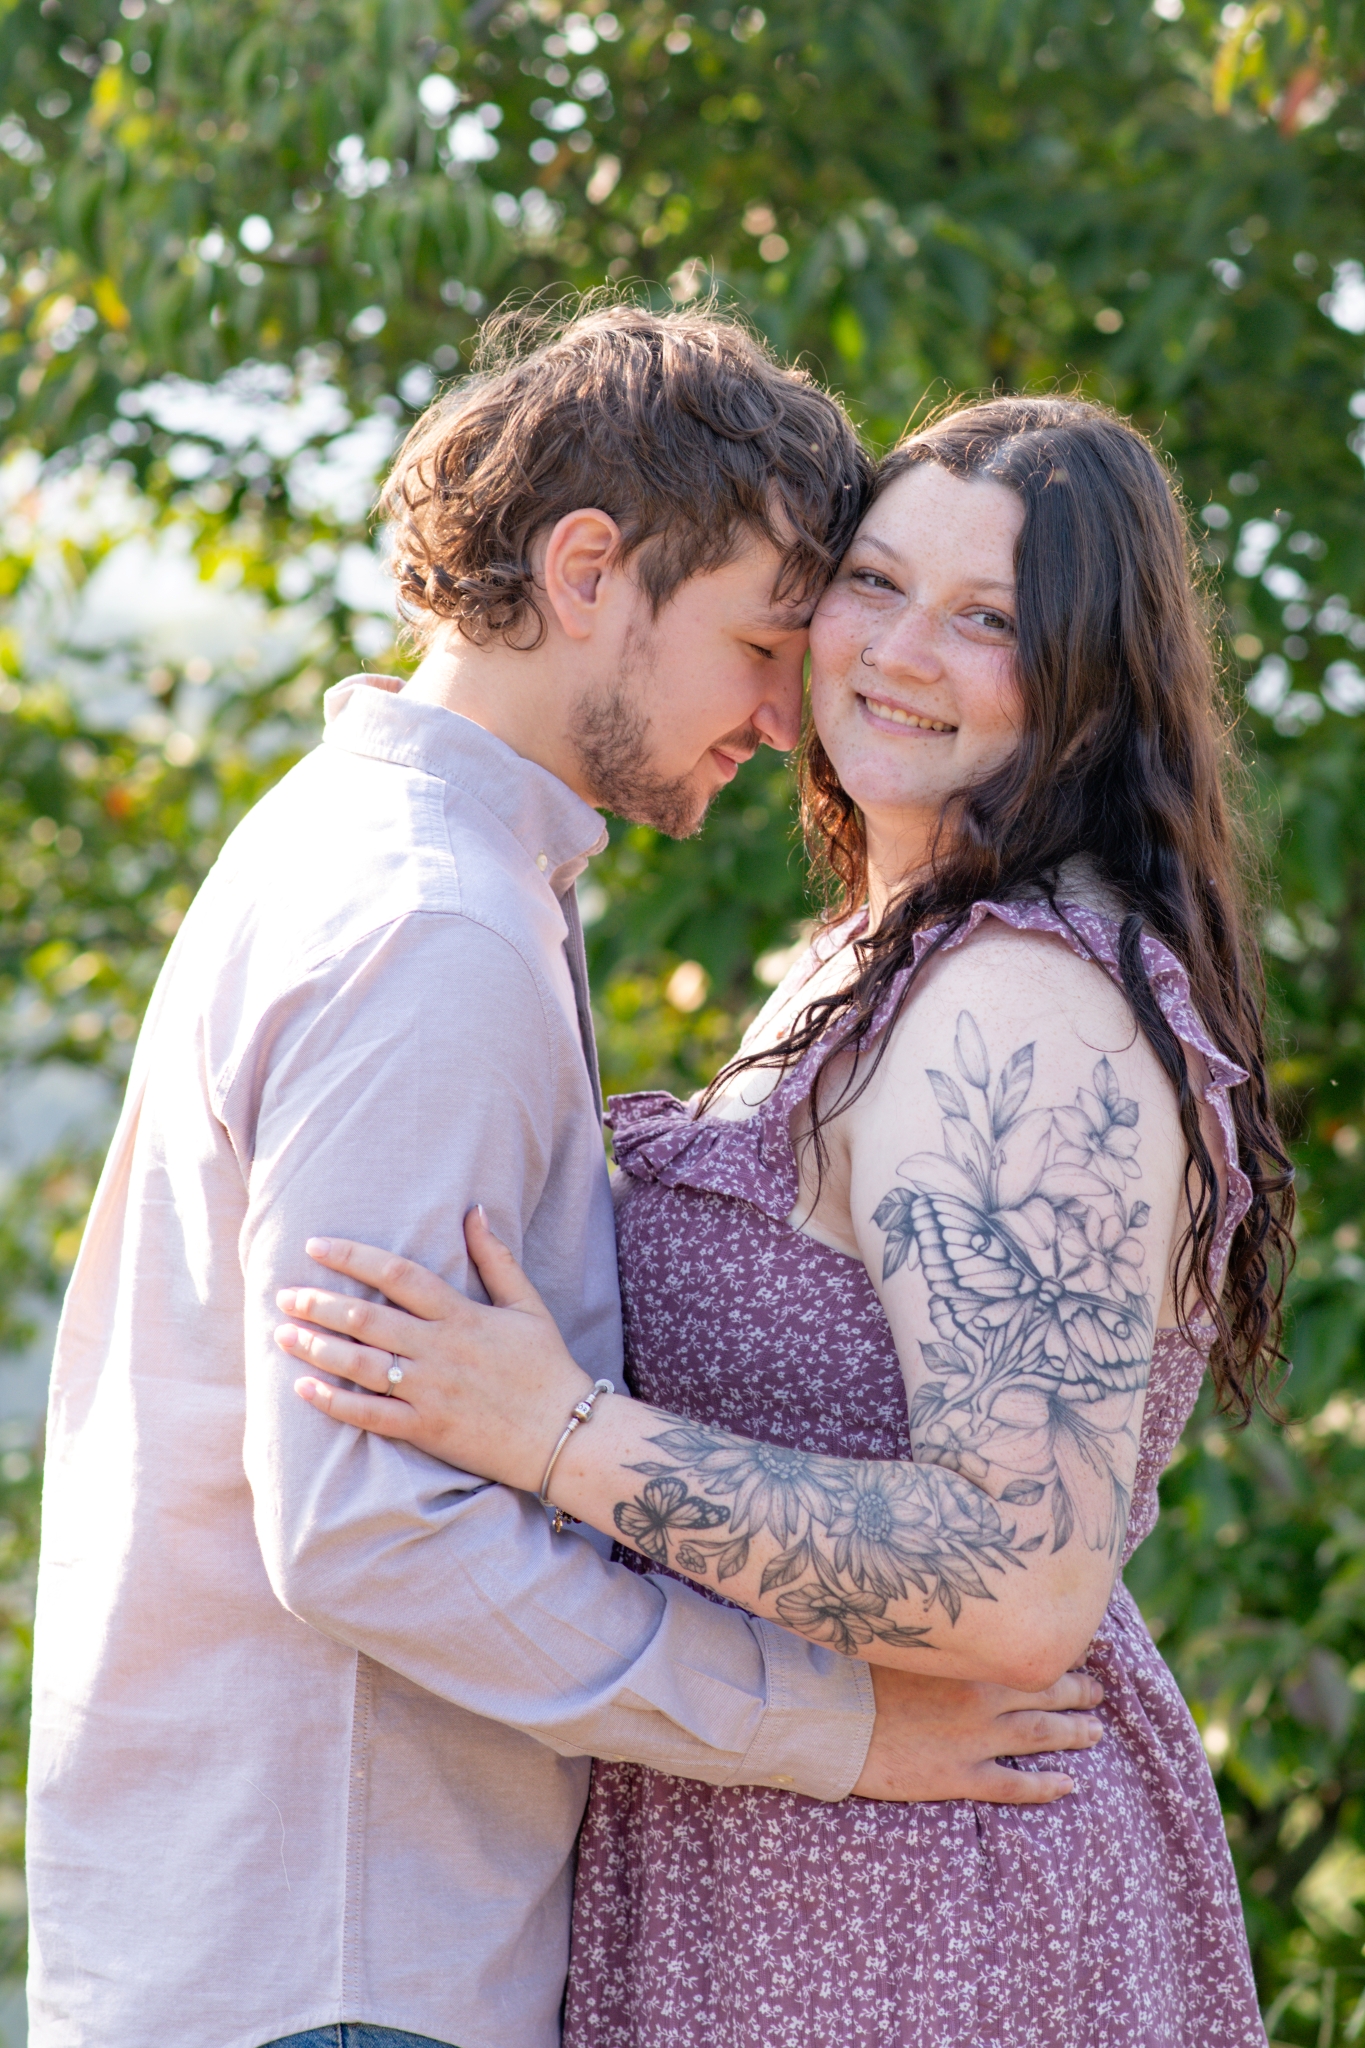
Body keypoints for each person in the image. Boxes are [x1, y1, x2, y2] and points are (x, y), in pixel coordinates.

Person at [27, 312, 1106, 2048]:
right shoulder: (432, 929)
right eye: (764, 639)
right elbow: (369, 1529)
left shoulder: (400, 854)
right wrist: (834, 1727)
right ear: (590, 567)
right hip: (347, 1957)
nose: (786, 710)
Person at [278, 393, 1295, 2048]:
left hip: (933, 1908)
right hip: (775, 1854)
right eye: (872, 583)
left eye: (987, 622)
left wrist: (559, 1435)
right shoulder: (864, 955)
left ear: (1090, 684)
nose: (897, 651)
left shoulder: (1020, 1007)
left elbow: (1023, 1575)